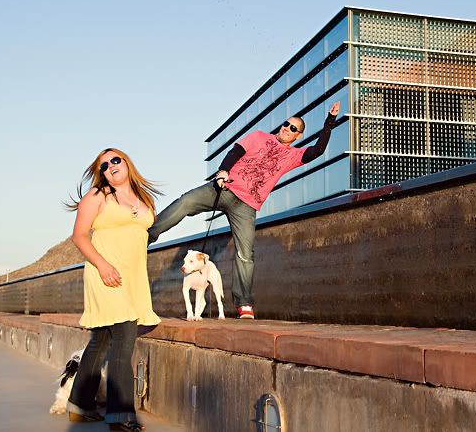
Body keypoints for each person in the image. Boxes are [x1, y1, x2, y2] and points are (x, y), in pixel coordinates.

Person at [148, 100, 341, 319]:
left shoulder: (293, 157)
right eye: (286, 124)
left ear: (298, 136)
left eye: (293, 128)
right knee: (186, 202)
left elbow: (318, 150)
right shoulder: (259, 136)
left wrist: (330, 121)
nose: (287, 128)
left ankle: (244, 303)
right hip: (225, 188)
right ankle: (149, 233)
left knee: (245, 254)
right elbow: (235, 151)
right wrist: (223, 171)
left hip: (247, 206)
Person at [66, 148, 162, 431]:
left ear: (127, 162)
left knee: (101, 341)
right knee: (123, 340)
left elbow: (142, 232)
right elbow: (79, 236)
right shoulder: (97, 196)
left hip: (132, 278)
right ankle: (121, 416)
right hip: (105, 274)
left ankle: (79, 404)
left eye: (115, 160)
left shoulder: (145, 199)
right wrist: (104, 266)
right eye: (104, 165)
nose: (110, 166)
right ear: (101, 173)